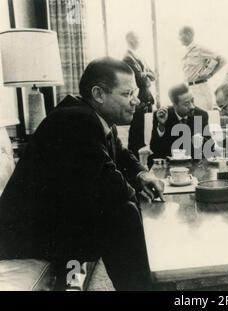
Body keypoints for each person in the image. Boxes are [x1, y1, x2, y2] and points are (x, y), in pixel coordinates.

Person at [0, 57, 165, 291]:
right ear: (98, 94)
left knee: (124, 209)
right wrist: (134, 194)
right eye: (127, 94)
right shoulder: (75, 121)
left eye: (135, 93)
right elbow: (113, 188)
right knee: (122, 214)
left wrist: (141, 175)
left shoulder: (91, 116)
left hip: (50, 221)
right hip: (25, 237)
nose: (136, 101)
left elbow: (120, 153)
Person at [149, 83, 209, 162]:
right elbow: (155, 148)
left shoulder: (201, 115)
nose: (192, 106)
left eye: (192, 100)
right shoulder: (162, 115)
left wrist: (200, 142)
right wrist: (161, 125)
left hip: (193, 163)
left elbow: (209, 147)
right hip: (169, 164)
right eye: (186, 103)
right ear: (174, 105)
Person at [123, 31, 156, 157]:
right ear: (130, 40)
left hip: (147, 98)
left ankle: (147, 160)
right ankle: (134, 161)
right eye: (136, 38)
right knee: (137, 132)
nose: (138, 41)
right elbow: (139, 80)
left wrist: (145, 74)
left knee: (148, 132)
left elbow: (153, 76)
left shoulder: (141, 57)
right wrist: (146, 74)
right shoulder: (127, 58)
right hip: (139, 98)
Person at [179, 26, 226, 111]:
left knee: (199, 119)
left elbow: (222, 60)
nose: (179, 38)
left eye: (180, 34)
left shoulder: (199, 48)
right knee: (193, 119)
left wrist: (211, 74)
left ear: (189, 34)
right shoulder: (185, 51)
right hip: (189, 89)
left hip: (199, 88)